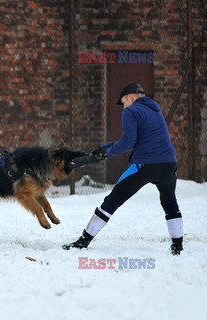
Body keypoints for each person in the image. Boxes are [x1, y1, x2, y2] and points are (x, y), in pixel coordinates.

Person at [62, 83, 183, 255]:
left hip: (145, 166)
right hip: (169, 164)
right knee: (170, 203)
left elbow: (128, 142)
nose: (123, 107)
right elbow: (133, 140)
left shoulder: (131, 111)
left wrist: (107, 154)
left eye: (123, 102)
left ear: (130, 98)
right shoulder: (155, 110)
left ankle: (83, 241)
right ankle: (177, 247)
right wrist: (104, 148)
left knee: (111, 201)